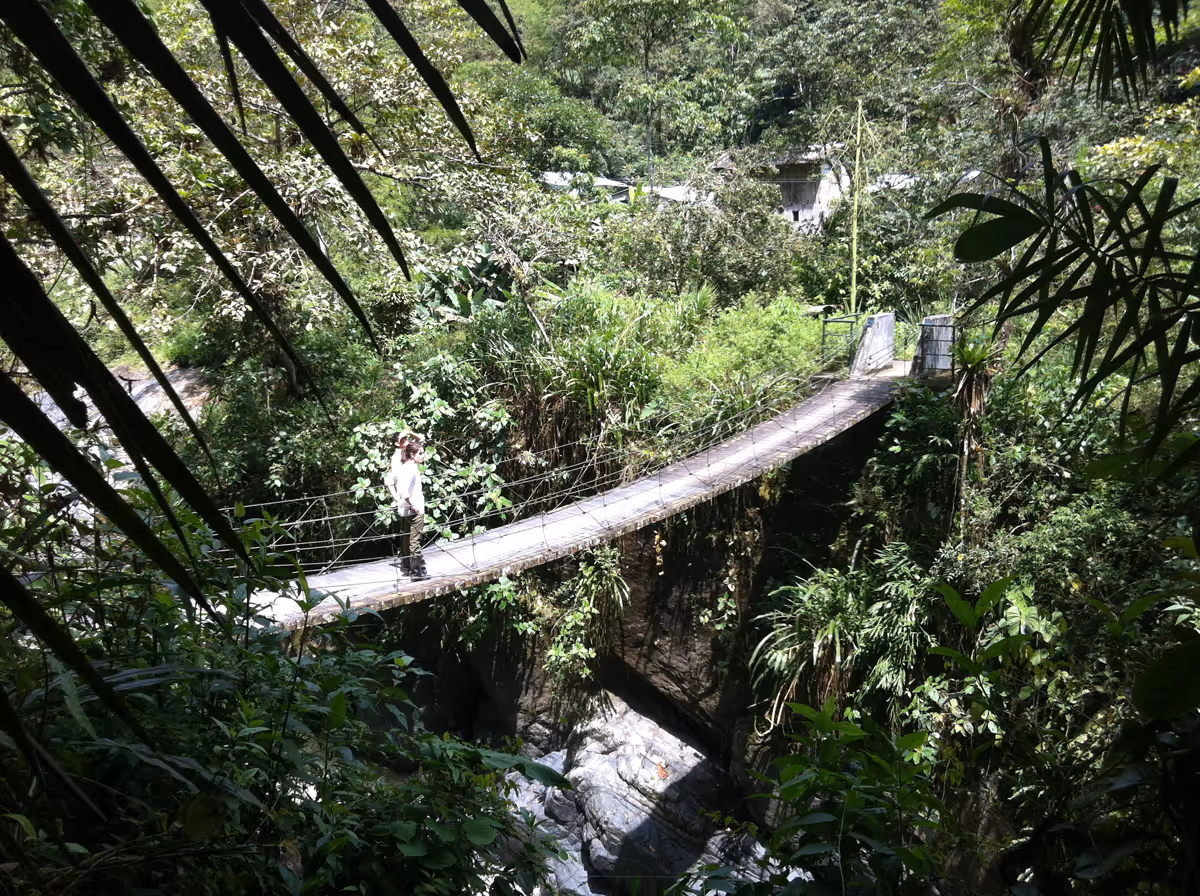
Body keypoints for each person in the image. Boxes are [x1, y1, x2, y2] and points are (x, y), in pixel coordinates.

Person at [385, 433, 428, 581]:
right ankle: (417, 573)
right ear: (412, 454)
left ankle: (408, 567)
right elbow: (403, 490)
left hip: (404, 508)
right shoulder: (410, 468)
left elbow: (390, 481)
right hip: (414, 508)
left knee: (406, 537)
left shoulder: (402, 465)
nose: (423, 456)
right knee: (415, 540)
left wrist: (398, 500)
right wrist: (412, 504)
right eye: (421, 453)